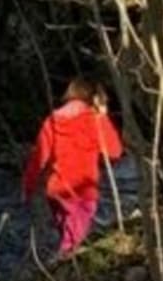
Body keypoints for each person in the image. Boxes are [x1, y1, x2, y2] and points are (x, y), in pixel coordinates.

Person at [21, 75, 124, 257]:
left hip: (56, 190)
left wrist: (28, 188)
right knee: (72, 246)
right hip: (82, 192)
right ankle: (61, 276)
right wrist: (103, 117)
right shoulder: (94, 120)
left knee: (67, 237)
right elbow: (115, 151)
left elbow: (38, 159)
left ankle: (55, 272)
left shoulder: (52, 120)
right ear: (94, 98)